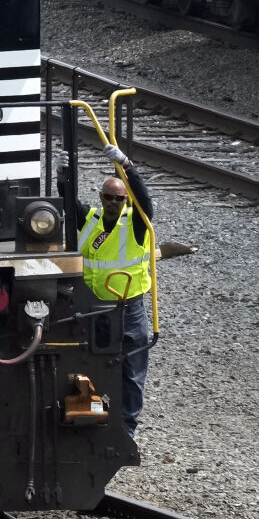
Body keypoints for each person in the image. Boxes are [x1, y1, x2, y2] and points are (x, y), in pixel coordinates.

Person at [79, 143, 154, 438]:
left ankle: (127, 428)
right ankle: (100, 418)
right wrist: (62, 177)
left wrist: (128, 168)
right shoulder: (90, 219)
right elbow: (68, 203)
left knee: (132, 371)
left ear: (125, 200)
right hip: (96, 308)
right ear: (101, 197)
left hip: (129, 307)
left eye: (119, 198)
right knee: (94, 367)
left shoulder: (135, 223)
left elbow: (145, 203)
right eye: (108, 197)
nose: (113, 202)